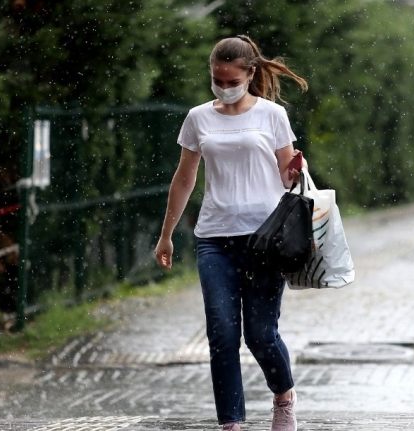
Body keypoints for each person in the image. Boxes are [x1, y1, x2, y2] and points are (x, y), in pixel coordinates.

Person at [154, 35, 308, 431]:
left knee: (260, 335)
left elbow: (289, 174)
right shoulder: (198, 118)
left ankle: (284, 396)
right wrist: (167, 233)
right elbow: (185, 178)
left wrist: (296, 172)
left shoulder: (272, 116)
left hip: (264, 240)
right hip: (214, 239)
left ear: (250, 74)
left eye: (230, 80)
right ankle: (231, 424)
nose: (224, 87)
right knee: (222, 334)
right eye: (217, 80)